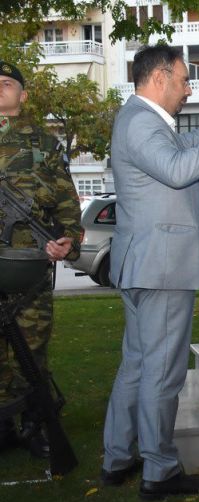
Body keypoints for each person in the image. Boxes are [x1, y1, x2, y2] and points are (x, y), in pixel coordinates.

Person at [100, 45, 199, 500]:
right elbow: (180, 169)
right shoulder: (142, 122)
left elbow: (186, 146)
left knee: (139, 365)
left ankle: (118, 457)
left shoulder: (144, 121)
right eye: (184, 80)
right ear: (159, 78)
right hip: (161, 268)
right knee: (162, 373)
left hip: (146, 265)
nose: (188, 89)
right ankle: (159, 471)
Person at [0, 60, 83, 458]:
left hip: (29, 268)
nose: (0, 89)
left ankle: (36, 425)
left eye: (7, 83)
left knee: (31, 349)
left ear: (23, 94)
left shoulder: (45, 145)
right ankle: (4, 428)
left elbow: (67, 200)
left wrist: (68, 241)